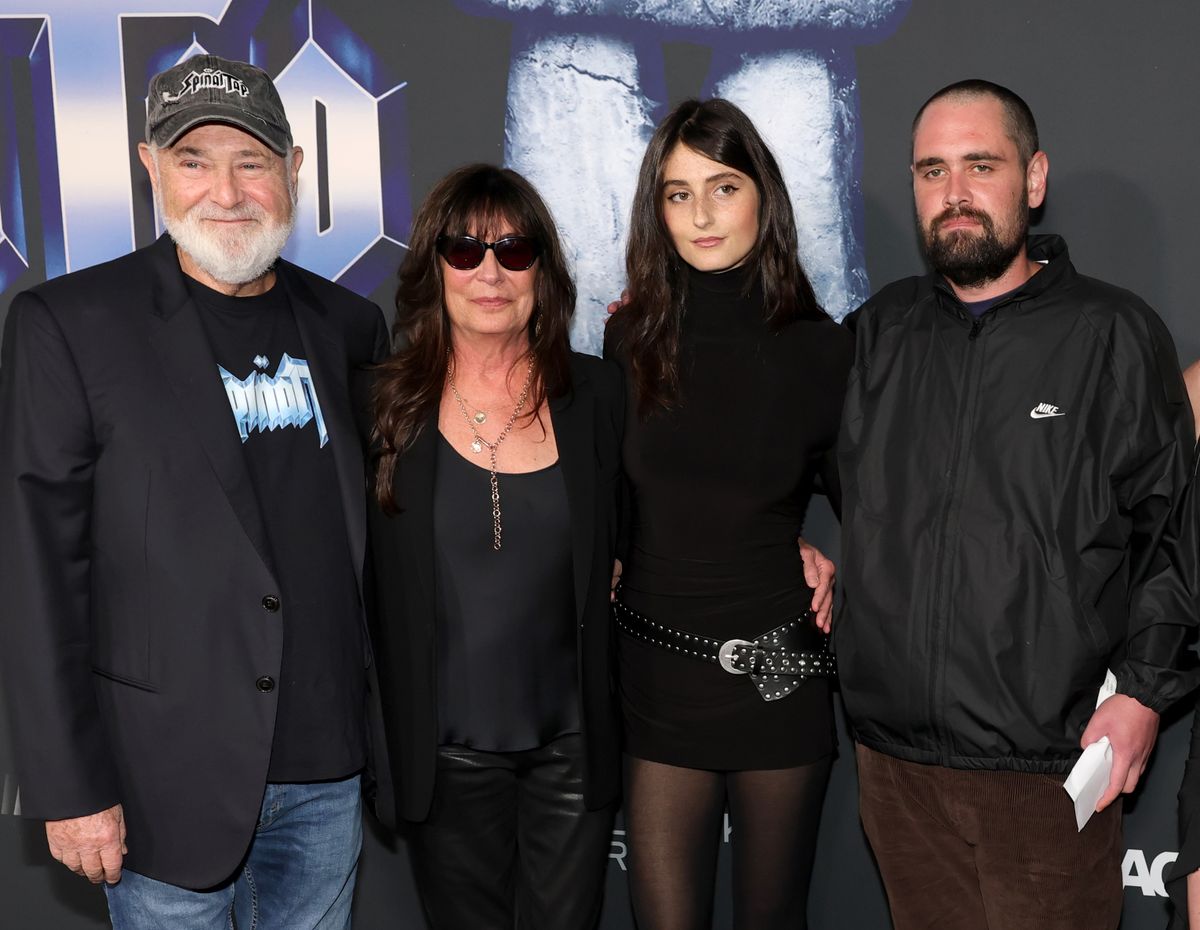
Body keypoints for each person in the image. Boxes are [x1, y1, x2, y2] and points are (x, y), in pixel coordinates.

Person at [0, 54, 387, 929]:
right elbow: (37, 575)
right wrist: (68, 787)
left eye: (251, 161)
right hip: (160, 787)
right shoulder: (69, 326)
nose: (227, 190)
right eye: (193, 161)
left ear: (294, 170)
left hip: (328, 778)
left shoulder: (350, 328)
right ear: (151, 170)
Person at [836, 78, 1197, 930]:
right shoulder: (878, 334)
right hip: (896, 770)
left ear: (1032, 179)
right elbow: (799, 474)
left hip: (1048, 769)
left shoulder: (1111, 334)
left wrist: (1144, 692)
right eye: (931, 170)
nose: (954, 193)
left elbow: (1173, 532)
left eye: (979, 166)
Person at [603, 98, 853, 930]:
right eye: (678, 194)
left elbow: (876, 503)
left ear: (763, 197)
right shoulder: (629, 340)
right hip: (656, 675)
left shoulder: (824, 350)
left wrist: (829, 554)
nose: (703, 215)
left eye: (723, 186)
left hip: (778, 673)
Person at [363, 163, 622, 929]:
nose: (489, 272)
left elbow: (651, 528)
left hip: (572, 750)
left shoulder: (600, 394)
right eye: (464, 249)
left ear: (541, 269)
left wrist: (795, 548)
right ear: (432, 265)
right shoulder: (380, 404)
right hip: (445, 756)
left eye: (514, 251)